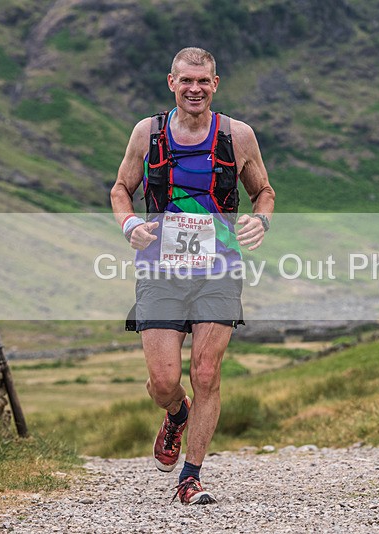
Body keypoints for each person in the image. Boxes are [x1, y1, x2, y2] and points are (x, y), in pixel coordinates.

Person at [110, 47, 275, 505]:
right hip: (160, 271)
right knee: (164, 382)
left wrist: (260, 220)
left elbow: (263, 190)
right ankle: (176, 413)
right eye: (186, 81)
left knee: (206, 372)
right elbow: (121, 188)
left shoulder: (238, 136)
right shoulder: (148, 133)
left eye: (203, 81)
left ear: (215, 84)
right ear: (172, 83)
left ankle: (191, 475)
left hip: (219, 270)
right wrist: (129, 225)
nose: (195, 89)